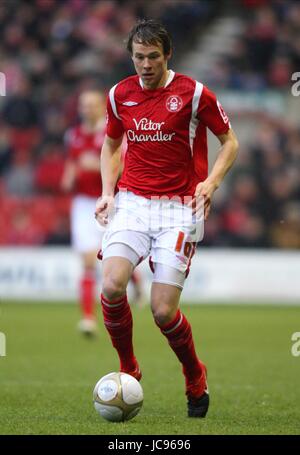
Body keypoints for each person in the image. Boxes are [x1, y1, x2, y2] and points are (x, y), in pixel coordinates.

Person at [95, 20, 238, 417]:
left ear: (167, 55)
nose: (145, 65)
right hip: (133, 203)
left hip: (179, 209)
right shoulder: (118, 94)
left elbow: (231, 143)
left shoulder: (193, 94)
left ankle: (194, 373)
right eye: (138, 57)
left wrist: (210, 183)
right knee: (111, 285)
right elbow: (110, 146)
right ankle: (128, 368)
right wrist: (108, 193)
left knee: (162, 311)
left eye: (153, 57)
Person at [61, 90, 145, 336]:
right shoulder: (73, 135)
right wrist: (69, 176)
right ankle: (88, 318)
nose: (87, 109)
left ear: (101, 107)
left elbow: (122, 166)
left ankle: (137, 283)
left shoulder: (113, 132)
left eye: (91, 105)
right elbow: (71, 162)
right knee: (88, 260)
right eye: (83, 105)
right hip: (83, 203)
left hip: (112, 199)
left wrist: (96, 168)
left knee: (116, 255)